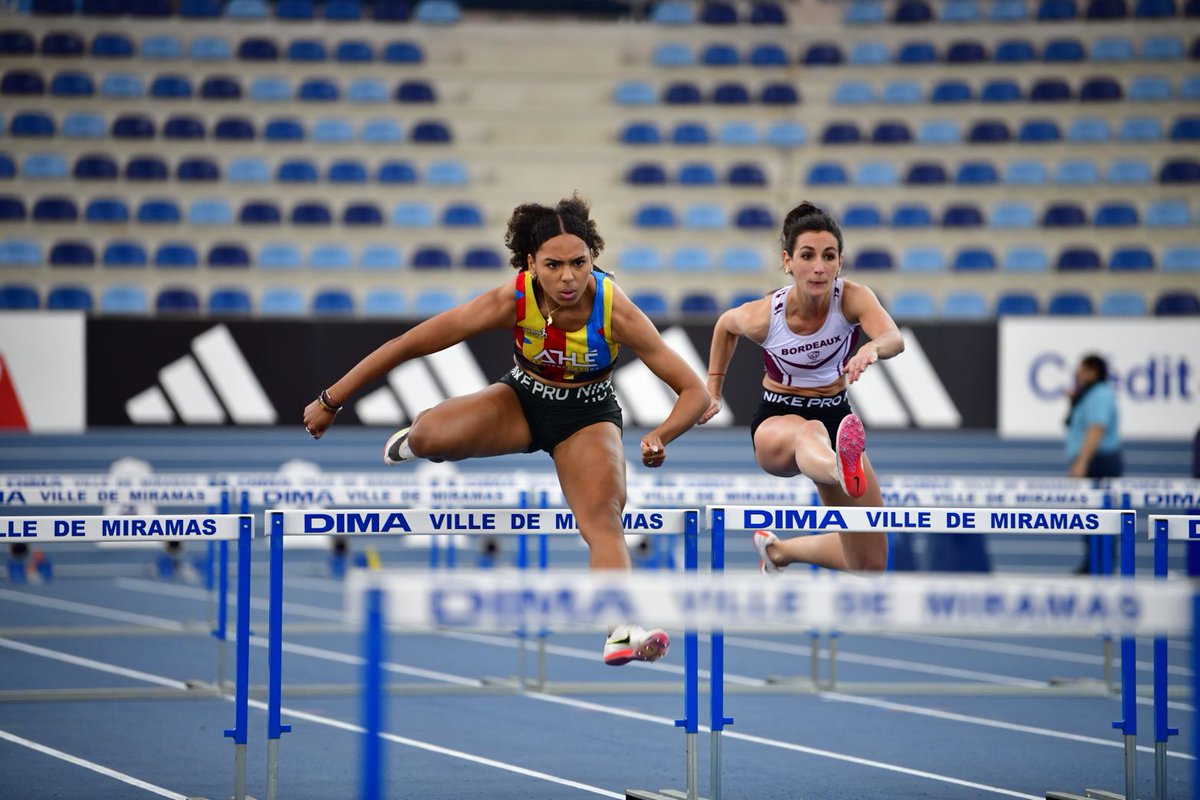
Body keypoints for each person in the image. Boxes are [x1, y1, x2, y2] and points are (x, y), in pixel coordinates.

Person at [303, 195, 710, 664]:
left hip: (587, 417)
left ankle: (620, 629)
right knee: (432, 436)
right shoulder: (511, 299)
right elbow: (408, 344)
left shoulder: (615, 310)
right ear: (531, 263)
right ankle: (415, 436)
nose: (568, 277)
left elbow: (693, 392)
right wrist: (332, 398)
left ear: (593, 258)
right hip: (521, 401)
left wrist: (662, 434)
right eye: (554, 265)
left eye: (579, 263)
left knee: (603, 519)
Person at [700, 202, 902, 574]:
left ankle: (780, 552)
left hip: (837, 420)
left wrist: (872, 347)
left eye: (829, 256)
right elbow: (725, 326)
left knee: (870, 563)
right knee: (809, 432)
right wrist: (714, 391)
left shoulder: (853, 298)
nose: (819, 267)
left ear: (840, 262)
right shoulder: (766, 315)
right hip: (777, 421)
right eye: (807, 256)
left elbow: (894, 338)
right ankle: (840, 468)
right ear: (788, 261)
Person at [1065, 353, 1121, 573]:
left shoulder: (1099, 395)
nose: (1078, 373)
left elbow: (1096, 428)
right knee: (1091, 516)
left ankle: (1101, 566)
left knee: (1100, 516)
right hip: (1095, 461)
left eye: (1082, 369)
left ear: (1093, 371)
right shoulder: (1090, 394)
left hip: (1098, 462)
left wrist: (1082, 461)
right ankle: (1095, 563)